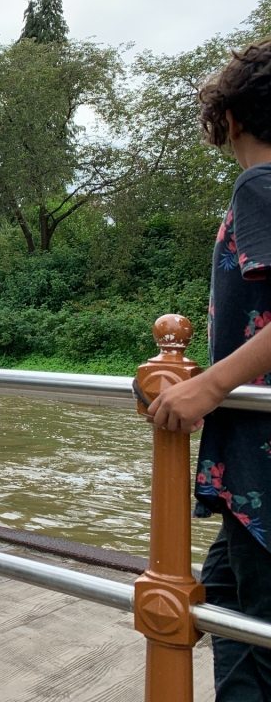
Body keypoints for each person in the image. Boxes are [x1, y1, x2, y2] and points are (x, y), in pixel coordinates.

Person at [148, 38, 271, 699]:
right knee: (223, 596)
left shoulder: (260, 183)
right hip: (252, 476)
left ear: (231, 117)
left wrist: (211, 383)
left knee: (253, 635)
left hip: (261, 467)